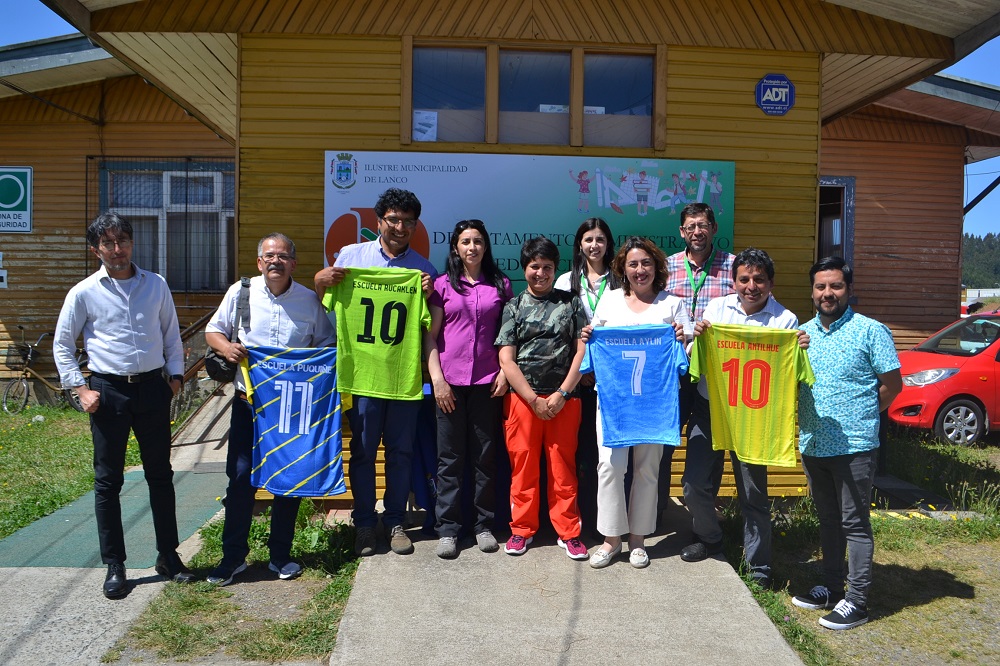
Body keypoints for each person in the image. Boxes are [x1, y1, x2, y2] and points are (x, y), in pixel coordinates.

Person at [53, 212, 193, 599]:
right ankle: (115, 565)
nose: (118, 250)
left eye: (123, 241)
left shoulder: (155, 284)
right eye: (109, 243)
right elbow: (63, 345)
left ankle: (168, 555)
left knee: (160, 475)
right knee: (108, 480)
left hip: (151, 389)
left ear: (133, 244)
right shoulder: (84, 292)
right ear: (95, 249)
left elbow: (170, 334)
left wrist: (176, 376)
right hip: (107, 393)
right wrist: (80, 390)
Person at [205, 233, 336, 586]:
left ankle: (281, 555)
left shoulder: (309, 301)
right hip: (249, 405)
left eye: (282, 256)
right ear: (259, 262)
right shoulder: (240, 293)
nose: (275, 261)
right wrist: (228, 348)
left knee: (288, 483)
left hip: (292, 410)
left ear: (294, 262)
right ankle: (232, 558)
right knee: (240, 478)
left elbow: (326, 346)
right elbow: (213, 331)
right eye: (269, 256)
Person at [314, 188, 436, 557]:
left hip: (402, 378)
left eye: (408, 221)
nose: (400, 227)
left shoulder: (423, 271)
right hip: (362, 376)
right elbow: (324, 303)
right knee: (364, 452)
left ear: (415, 225)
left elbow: (428, 324)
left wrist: (427, 294)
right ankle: (365, 524)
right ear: (379, 221)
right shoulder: (350, 258)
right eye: (394, 219)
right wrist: (321, 281)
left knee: (400, 453)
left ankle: (395, 520)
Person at [681, 248, 808, 588]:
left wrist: (801, 348)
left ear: (771, 282)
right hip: (712, 408)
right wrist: (699, 336)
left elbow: (791, 372)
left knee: (753, 494)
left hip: (755, 417)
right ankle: (710, 539)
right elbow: (693, 354)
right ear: (734, 281)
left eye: (759, 279)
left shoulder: (786, 321)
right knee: (693, 485)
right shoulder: (717, 308)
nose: (751, 286)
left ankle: (759, 566)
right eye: (744, 279)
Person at [792, 257, 902, 630]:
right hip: (813, 444)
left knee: (855, 524)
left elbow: (892, 385)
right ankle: (831, 585)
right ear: (812, 291)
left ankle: (857, 601)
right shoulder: (802, 335)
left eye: (836, 286)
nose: (828, 293)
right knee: (828, 520)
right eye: (821, 286)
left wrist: (864, 420)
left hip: (854, 446)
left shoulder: (871, 331)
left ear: (848, 290)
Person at [585, 237, 687, 569]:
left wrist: (682, 339)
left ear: (657, 267)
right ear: (622, 268)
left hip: (654, 403)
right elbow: (595, 343)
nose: (639, 270)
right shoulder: (610, 301)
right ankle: (611, 538)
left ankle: (639, 539)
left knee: (647, 469)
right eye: (633, 264)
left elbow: (685, 356)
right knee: (610, 466)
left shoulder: (672, 305)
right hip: (614, 402)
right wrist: (589, 338)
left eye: (646, 263)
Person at [496, 236, 588, 559]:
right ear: (525, 269)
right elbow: (506, 359)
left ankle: (569, 531)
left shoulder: (571, 302)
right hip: (524, 401)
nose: (541, 273)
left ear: (555, 269)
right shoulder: (514, 306)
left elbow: (582, 349)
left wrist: (562, 392)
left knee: (563, 467)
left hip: (566, 398)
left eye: (547, 267)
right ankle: (521, 530)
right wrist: (533, 399)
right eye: (535, 266)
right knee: (523, 467)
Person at [425, 220, 513, 558]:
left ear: (486, 246)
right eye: (465, 241)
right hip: (449, 385)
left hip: (488, 385)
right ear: (455, 248)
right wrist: (438, 381)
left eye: (477, 241)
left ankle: (483, 526)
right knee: (449, 459)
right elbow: (430, 337)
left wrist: (505, 374)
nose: (472, 247)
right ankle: (447, 529)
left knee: (484, 457)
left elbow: (509, 336)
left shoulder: (500, 285)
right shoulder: (442, 286)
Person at [662, 202, 735, 516]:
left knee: (710, 445)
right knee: (662, 441)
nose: (697, 232)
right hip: (673, 372)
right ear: (681, 231)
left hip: (714, 371)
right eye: (690, 226)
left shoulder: (734, 268)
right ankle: (655, 510)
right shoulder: (666, 267)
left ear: (714, 229)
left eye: (703, 225)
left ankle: (706, 511)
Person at [554, 218, 619, 537]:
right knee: (581, 453)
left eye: (600, 239)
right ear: (579, 244)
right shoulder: (566, 281)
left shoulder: (622, 280)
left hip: (614, 378)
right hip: (576, 378)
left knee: (609, 454)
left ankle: (607, 523)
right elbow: (558, 331)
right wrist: (579, 373)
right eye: (588, 239)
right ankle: (582, 521)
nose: (595, 245)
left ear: (609, 244)